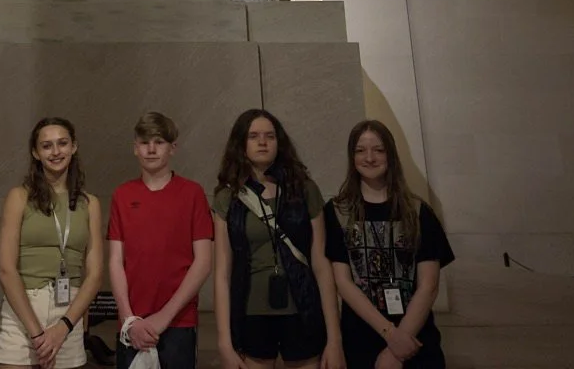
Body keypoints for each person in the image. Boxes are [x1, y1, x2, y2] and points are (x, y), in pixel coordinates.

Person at [212, 109, 344, 369]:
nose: (262, 142)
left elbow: (321, 265)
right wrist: (224, 342)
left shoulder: (304, 190)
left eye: (269, 136)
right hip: (250, 313)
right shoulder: (228, 197)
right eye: (254, 136)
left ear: (279, 142)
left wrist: (335, 339)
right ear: (241, 143)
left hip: (303, 310)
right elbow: (223, 273)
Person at [324, 121, 454, 369]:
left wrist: (398, 347)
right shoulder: (337, 212)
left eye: (379, 150)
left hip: (414, 340)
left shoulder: (418, 212)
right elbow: (343, 282)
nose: (369, 158)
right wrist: (390, 334)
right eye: (360, 150)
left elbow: (429, 286)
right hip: (360, 339)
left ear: (390, 155)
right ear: (352, 157)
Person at [0, 118, 103, 369]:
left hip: (69, 312)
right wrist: (37, 334)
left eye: (62, 143)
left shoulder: (90, 204)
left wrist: (63, 327)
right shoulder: (19, 197)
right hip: (23, 309)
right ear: (35, 152)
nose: (55, 152)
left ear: (74, 147)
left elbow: (95, 274)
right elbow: (6, 270)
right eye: (46, 145)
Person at [107, 112, 213, 369]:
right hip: (132, 324)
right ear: (135, 148)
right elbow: (115, 262)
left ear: (172, 148)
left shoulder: (192, 193)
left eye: (159, 142)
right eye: (145, 142)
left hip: (178, 321)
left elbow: (203, 262)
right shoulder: (122, 195)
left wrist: (163, 317)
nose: (151, 149)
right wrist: (128, 319)